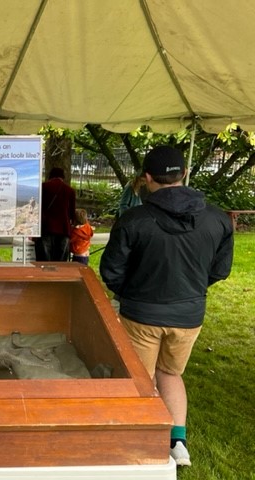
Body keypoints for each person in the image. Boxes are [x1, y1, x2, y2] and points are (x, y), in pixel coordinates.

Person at [100, 145, 234, 467]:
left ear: (147, 178)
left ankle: (141, 444)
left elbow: (111, 271)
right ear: (184, 174)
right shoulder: (218, 219)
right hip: (188, 316)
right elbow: (220, 270)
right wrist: (190, 290)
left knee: (141, 380)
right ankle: (178, 444)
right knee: (171, 374)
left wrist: (133, 293)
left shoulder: (133, 219)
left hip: (141, 314)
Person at [34, 167, 76, 261]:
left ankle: (45, 275)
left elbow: (36, 208)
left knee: (44, 260)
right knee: (60, 262)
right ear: (63, 176)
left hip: (45, 228)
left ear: (50, 175)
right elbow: (72, 213)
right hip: (63, 229)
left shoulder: (42, 187)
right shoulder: (70, 190)